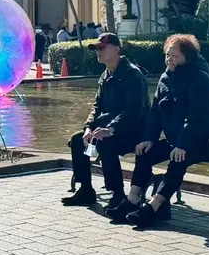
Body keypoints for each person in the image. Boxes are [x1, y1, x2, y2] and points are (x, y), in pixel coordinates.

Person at [114, 34, 209, 229]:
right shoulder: (165, 78)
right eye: (167, 55)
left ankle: (154, 207)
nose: (169, 59)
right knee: (144, 153)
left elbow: (198, 117)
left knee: (179, 158)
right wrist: (149, 139)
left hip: (206, 141)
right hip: (177, 139)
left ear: (187, 57)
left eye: (175, 55)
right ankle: (132, 200)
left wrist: (182, 144)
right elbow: (156, 113)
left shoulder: (200, 78)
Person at [62, 33, 146, 211]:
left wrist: (111, 129)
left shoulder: (132, 74)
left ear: (116, 49)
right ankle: (86, 189)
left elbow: (133, 111)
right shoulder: (105, 75)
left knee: (106, 143)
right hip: (109, 126)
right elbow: (97, 106)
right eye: (96, 49)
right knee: (78, 140)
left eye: (102, 48)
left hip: (134, 130)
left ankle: (117, 194)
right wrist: (88, 128)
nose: (98, 52)